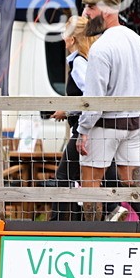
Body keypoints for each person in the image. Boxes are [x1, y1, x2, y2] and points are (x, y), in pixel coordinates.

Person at [77, 0, 140, 223]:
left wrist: (83, 130)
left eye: (90, 9)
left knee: (91, 185)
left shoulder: (101, 48)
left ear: (107, 11)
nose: (85, 15)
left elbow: (94, 98)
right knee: (134, 181)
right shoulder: (138, 41)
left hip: (105, 125)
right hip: (134, 122)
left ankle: (92, 237)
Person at [50, 16, 97, 220]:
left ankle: (57, 224)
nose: (62, 37)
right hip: (92, 127)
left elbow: (89, 98)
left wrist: (68, 111)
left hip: (84, 128)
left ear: (72, 39)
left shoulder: (78, 63)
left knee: (63, 176)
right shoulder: (85, 60)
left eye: (64, 33)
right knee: (113, 177)